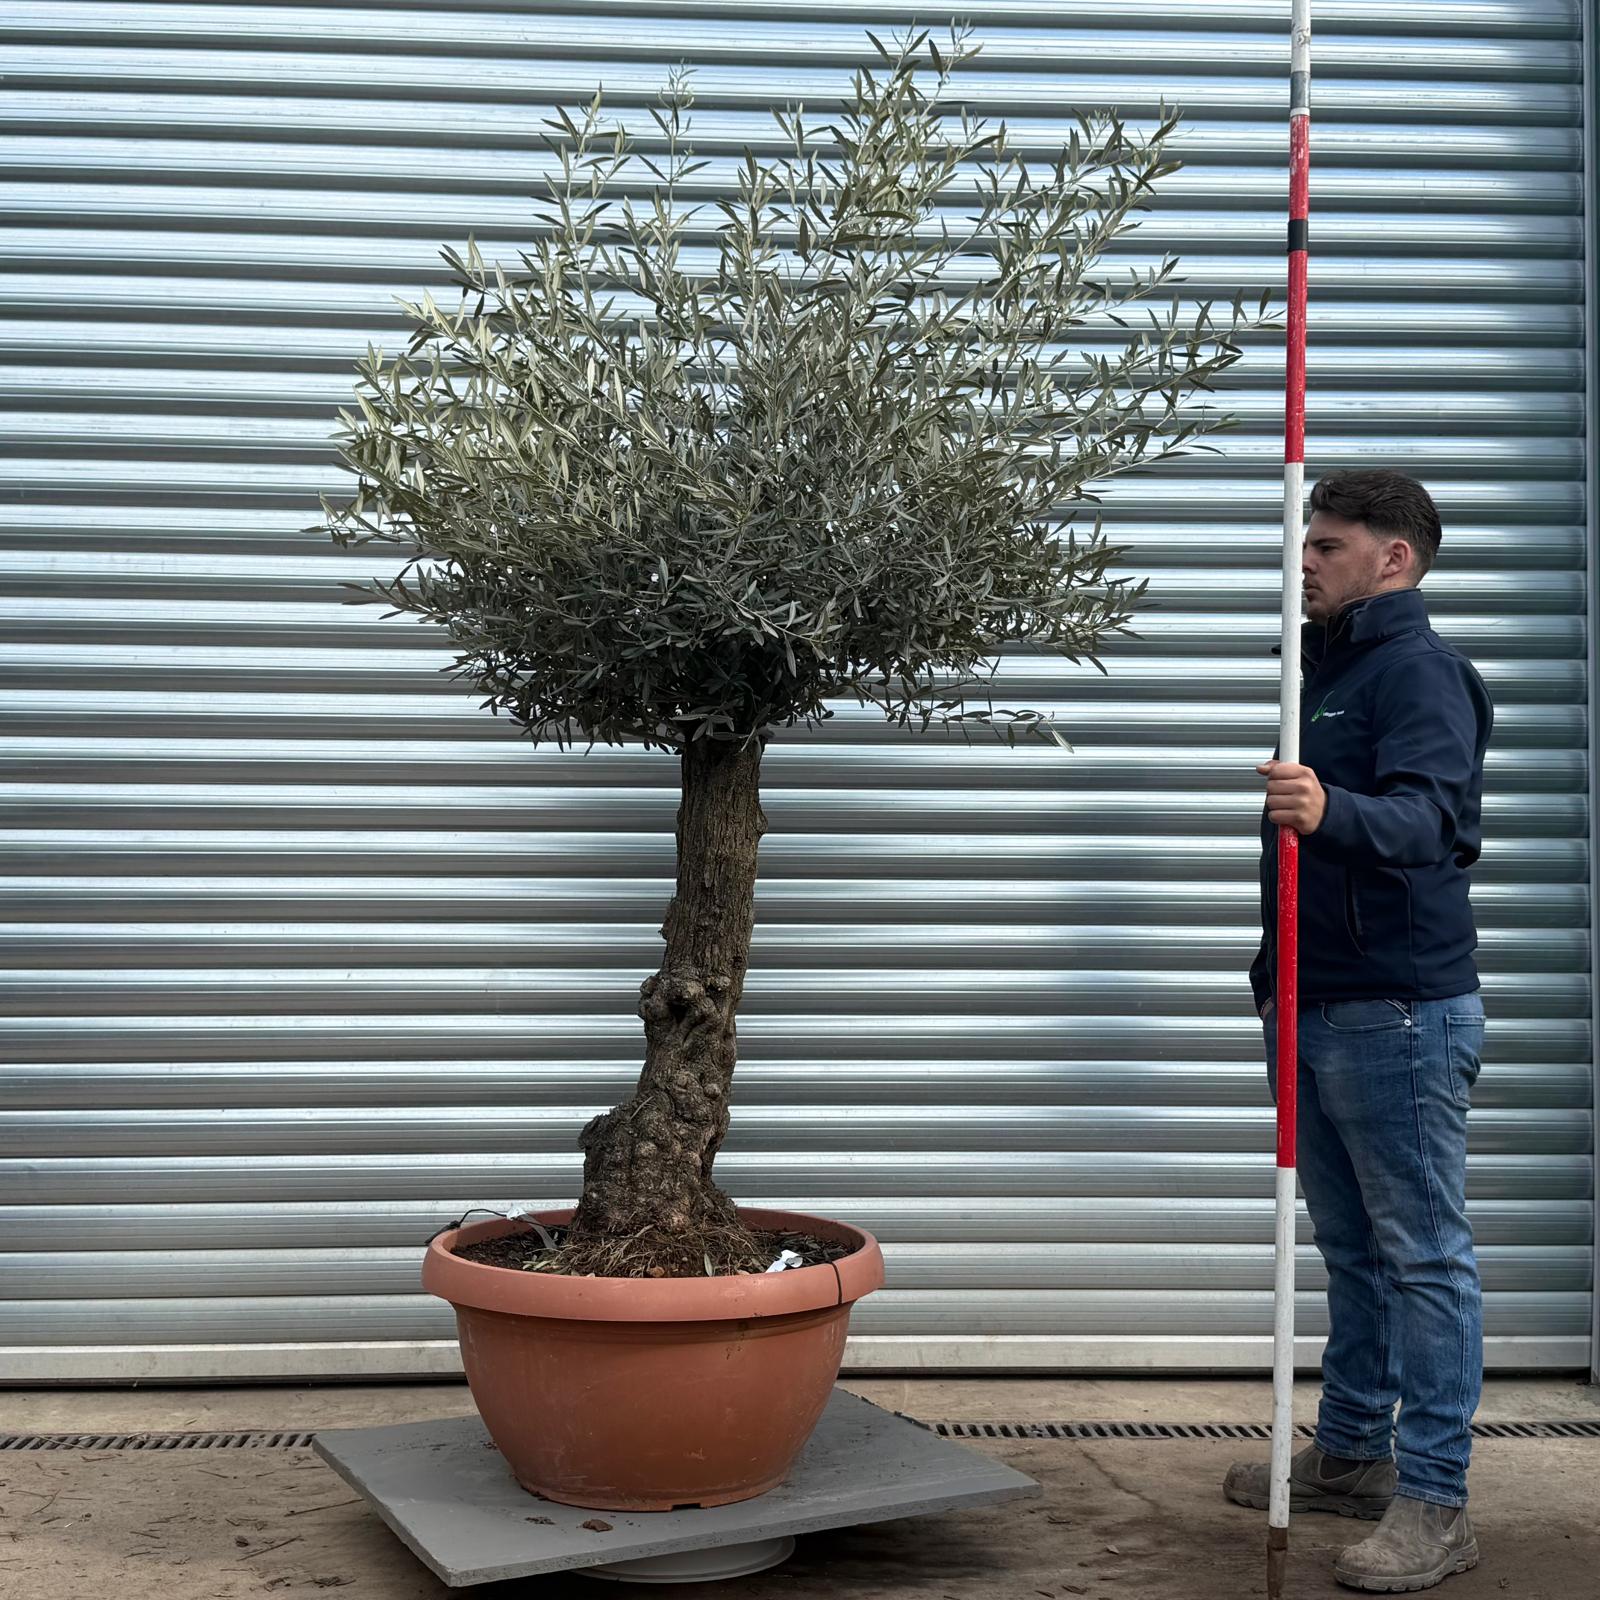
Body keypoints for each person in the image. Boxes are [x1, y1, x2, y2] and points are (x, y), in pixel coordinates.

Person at [1223, 470, 1494, 1593]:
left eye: (1327, 545)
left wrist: (1331, 810)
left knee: (1422, 1253)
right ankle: (1349, 1451)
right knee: (1351, 1248)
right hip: (1315, 1000)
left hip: (1397, 1007)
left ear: (1394, 558)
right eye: (1305, 541)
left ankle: (1434, 1502)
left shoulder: (1417, 671)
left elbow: (1435, 819)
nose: (1305, 559)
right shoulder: (1323, 671)